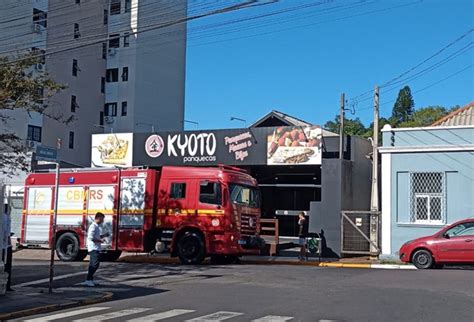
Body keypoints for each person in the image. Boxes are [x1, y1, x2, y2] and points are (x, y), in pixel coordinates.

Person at [85, 212, 109, 287]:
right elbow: (90, 238)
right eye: (102, 219)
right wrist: (100, 241)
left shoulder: (96, 226)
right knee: (95, 264)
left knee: (92, 264)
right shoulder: (93, 226)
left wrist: (104, 235)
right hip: (93, 248)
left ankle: (90, 279)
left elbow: (97, 236)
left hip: (96, 248)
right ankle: (88, 280)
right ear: (98, 218)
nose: (103, 221)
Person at [2, 204, 13, 291]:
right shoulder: (7, 218)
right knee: (7, 266)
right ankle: (7, 286)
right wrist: (10, 245)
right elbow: (7, 233)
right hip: (5, 246)